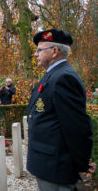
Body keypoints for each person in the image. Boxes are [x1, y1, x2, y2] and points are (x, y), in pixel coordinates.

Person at [27, 29, 92, 190]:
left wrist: (82, 162)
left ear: (54, 51)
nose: (36, 54)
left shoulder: (64, 78)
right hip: (48, 163)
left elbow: (76, 128)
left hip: (55, 166)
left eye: (39, 50)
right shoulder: (54, 75)